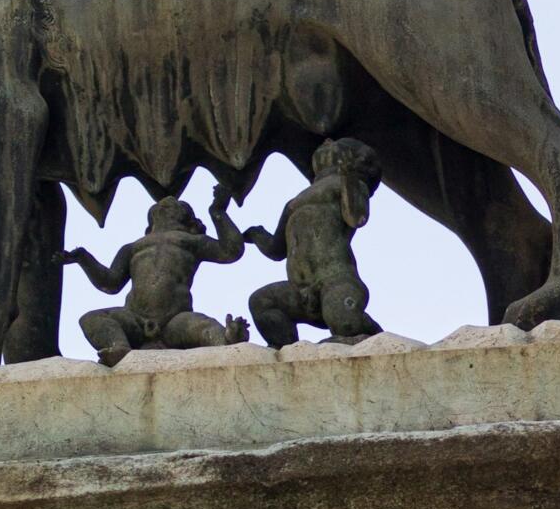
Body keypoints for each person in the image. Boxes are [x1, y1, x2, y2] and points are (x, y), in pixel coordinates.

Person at [62, 186, 251, 367]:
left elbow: (231, 251)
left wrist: (218, 211)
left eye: (178, 205)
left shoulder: (190, 241)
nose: (168, 201)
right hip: (135, 319)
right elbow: (110, 282)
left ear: (188, 220)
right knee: (91, 318)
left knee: (204, 325)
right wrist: (83, 258)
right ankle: (119, 347)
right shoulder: (133, 248)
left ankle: (227, 339)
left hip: (175, 321)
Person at [241, 138, 383, 346]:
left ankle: (376, 335)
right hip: (300, 290)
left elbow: (356, 217)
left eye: (337, 143)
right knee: (261, 302)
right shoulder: (295, 201)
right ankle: (287, 352)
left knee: (345, 323)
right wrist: (257, 235)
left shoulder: (350, 183)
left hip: (336, 280)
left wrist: (349, 179)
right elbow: (276, 249)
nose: (327, 141)